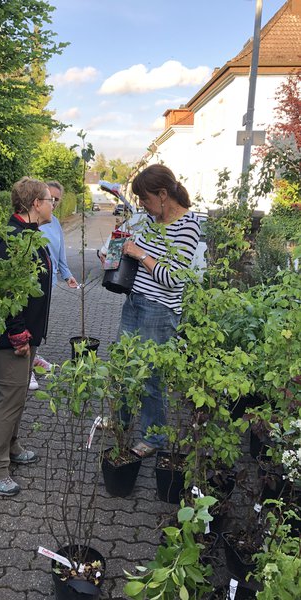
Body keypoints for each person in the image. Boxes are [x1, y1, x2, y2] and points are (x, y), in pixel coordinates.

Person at [117, 165, 201, 457]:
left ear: (163, 194)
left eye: (145, 198)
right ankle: (121, 421)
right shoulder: (152, 221)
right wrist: (121, 249)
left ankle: (153, 439)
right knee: (124, 365)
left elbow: (172, 277)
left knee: (151, 377)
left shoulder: (189, 225)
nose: (142, 204)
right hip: (134, 301)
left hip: (160, 311)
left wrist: (140, 254)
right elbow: (135, 250)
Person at [0, 177, 53, 496]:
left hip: (25, 333)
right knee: (9, 399)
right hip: (12, 337)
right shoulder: (13, 238)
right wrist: (19, 332)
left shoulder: (29, 234)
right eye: (51, 200)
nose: (53, 205)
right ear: (36, 204)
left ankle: (11, 446)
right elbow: (6, 290)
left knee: (18, 396)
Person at [30, 180, 78, 390]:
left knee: (39, 323)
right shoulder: (31, 223)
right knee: (28, 322)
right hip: (32, 282)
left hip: (49, 282)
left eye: (58, 199)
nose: (55, 203)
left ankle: (33, 357)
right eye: (52, 198)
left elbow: (60, 252)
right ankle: (26, 370)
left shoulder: (55, 222)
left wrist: (67, 274)